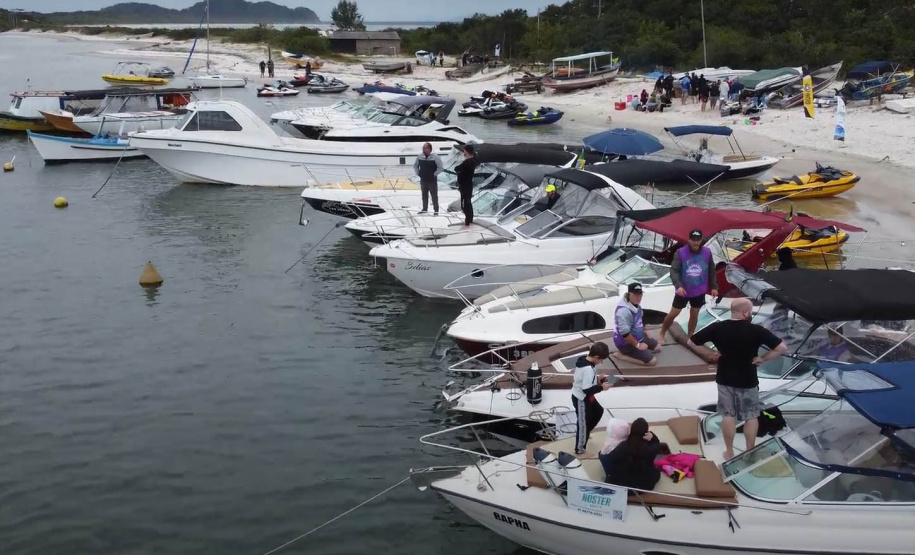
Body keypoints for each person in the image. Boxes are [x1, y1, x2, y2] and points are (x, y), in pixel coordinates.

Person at [689, 298, 788, 459]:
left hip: (724, 378)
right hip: (747, 380)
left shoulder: (717, 328)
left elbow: (691, 342)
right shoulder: (756, 330)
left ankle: (729, 451)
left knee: (728, 415)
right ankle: (750, 452)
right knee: (750, 417)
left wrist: (709, 353)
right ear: (746, 312)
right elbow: (782, 348)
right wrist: (763, 358)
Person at [658, 229, 718, 343]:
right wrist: (678, 286)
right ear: (689, 240)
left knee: (694, 314)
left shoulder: (707, 252)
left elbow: (711, 270)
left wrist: (714, 286)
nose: (695, 243)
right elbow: (674, 270)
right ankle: (662, 333)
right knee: (673, 313)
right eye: (693, 240)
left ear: (701, 240)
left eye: (698, 240)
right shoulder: (680, 252)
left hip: (699, 290)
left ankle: (690, 337)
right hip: (683, 290)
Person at [572, 341, 612, 454]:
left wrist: (598, 380)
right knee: (583, 423)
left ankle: (586, 433)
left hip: (586, 397)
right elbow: (586, 389)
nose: (601, 362)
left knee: (598, 411)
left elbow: (585, 381)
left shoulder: (585, 361)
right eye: (601, 360)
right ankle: (580, 450)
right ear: (596, 357)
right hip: (582, 399)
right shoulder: (588, 369)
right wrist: (601, 388)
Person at [602, 417, 662, 490]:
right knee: (656, 472)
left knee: (603, 456)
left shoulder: (623, 446)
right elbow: (657, 443)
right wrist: (652, 436)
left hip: (622, 484)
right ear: (646, 433)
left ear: (631, 430)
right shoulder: (651, 448)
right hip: (644, 486)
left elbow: (610, 458)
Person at [613, 283, 662, 366]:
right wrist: (638, 345)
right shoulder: (624, 311)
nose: (638, 297)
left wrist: (645, 330)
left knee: (658, 348)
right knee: (652, 362)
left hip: (639, 336)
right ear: (629, 294)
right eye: (635, 294)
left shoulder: (636, 305)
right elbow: (624, 333)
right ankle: (621, 356)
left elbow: (641, 317)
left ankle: (641, 353)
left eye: (640, 294)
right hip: (626, 343)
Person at [413, 142, 444, 215]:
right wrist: (418, 173)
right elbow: (415, 165)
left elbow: (441, 167)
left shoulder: (435, 157)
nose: (423, 149)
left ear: (430, 149)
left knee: (434, 196)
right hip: (423, 179)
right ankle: (424, 209)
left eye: (425, 148)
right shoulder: (419, 156)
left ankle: (436, 210)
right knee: (424, 195)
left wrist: (434, 174)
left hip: (432, 180)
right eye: (423, 148)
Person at [455, 144, 477, 226]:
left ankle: (468, 220)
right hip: (468, 185)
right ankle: (469, 218)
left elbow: (457, 168)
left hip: (465, 185)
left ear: (467, 151)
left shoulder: (467, 162)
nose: (463, 152)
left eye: (464, 151)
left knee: (465, 203)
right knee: (468, 202)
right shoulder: (473, 161)